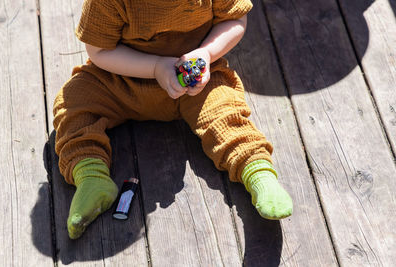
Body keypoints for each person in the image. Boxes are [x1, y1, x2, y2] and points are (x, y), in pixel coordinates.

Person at [53, 0, 293, 240]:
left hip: (195, 86)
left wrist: (207, 53)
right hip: (121, 80)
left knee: (226, 112)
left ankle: (257, 172)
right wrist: (156, 67)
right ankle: (90, 175)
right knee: (73, 100)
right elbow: (98, 50)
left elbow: (235, 19)